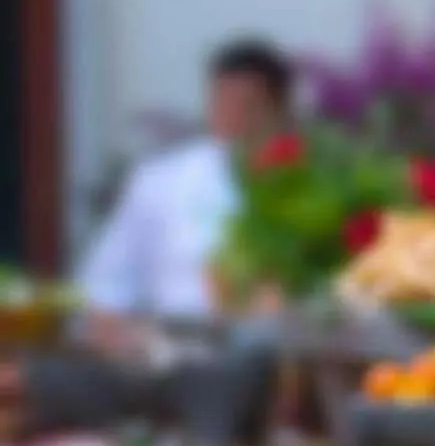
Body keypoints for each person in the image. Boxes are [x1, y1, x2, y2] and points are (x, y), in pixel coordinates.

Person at [72, 36, 295, 338]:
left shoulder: (311, 183)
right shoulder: (161, 182)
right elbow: (106, 285)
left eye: (248, 106)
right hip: (174, 348)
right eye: (222, 102)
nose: (233, 118)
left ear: (279, 111)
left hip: (277, 351)